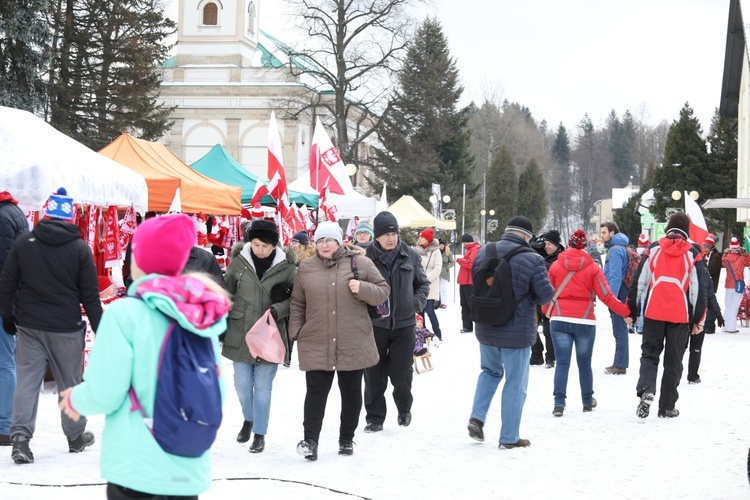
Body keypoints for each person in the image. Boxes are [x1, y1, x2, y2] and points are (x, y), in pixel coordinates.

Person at [58, 214, 230, 499]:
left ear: (140, 259)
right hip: (187, 466)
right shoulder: (200, 315)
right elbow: (216, 390)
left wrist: (74, 399)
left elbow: (106, 391)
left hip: (137, 467)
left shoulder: (124, 314)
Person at [0, 188, 102, 464]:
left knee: (27, 384)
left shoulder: (24, 242)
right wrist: (101, 329)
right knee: (69, 385)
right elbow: (90, 295)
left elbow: (7, 282)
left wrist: (7, 314)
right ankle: (75, 436)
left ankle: (20, 440)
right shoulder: (80, 248)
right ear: (69, 217)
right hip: (66, 328)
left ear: (47, 213)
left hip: (30, 326)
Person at [290, 222, 389, 461]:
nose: (325, 245)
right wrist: (297, 331)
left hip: (352, 338)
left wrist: (362, 287)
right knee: (315, 392)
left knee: (351, 392)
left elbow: (383, 290)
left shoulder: (361, 263)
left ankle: (346, 439)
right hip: (315, 339)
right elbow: (297, 303)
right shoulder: (306, 267)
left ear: (339, 241)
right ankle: (310, 440)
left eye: (329, 240)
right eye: (320, 241)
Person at [466, 216, 554, 449]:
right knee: (515, 382)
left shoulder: (484, 251)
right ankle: (508, 437)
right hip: (516, 332)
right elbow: (545, 296)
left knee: (490, 372)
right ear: (527, 236)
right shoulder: (533, 259)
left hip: (485, 326)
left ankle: (477, 416)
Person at [222, 219, 296, 453]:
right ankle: (248, 418)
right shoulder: (239, 263)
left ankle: (259, 433)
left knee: (263, 387)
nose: (260, 249)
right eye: (256, 244)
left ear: (274, 245)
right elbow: (226, 292)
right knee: (242, 385)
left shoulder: (287, 267)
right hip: (241, 332)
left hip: (270, 334)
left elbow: (296, 300)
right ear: (249, 242)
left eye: (265, 245)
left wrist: (279, 308)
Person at [544, 229, 632, 417]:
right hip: (584, 320)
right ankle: (586, 400)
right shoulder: (592, 268)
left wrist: (546, 312)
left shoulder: (556, 266)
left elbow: (547, 293)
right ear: (585, 246)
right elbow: (606, 296)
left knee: (562, 363)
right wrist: (626, 312)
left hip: (559, 319)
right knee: (584, 363)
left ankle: (559, 403)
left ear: (568, 243)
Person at [631, 212, 707, 419]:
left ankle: (647, 389)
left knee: (649, 354)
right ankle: (666, 406)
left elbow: (640, 281)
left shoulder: (653, 249)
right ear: (687, 232)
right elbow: (698, 290)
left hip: (654, 312)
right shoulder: (693, 253)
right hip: (680, 316)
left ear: (668, 229)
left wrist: (633, 309)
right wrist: (698, 320)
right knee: (674, 361)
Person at [363, 211, 429, 432]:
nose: (391, 238)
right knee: (373, 374)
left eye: (394, 233)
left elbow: (423, 284)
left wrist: (416, 304)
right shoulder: (365, 257)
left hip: (404, 325)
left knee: (402, 372)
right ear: (377, 236)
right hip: (375, 325)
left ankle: (404, 409)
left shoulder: (409, 254)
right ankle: (374, 418)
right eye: (386, 234)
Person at [0, 191, 29, 447]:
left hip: (4, 301)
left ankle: (5, 426)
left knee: (5, 363)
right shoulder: (15, 211)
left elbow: (4, 265)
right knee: (8, 361)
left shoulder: (2, 216)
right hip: (13, 298)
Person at [599, 221, 630, 375]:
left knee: (619, 330)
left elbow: (615, 276)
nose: (601, 235)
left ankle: (620, 364)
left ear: (612, 233)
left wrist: (612, 298)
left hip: (618, 293)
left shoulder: (615, 250)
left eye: (604, 232)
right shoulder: (620, 247)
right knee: (620, 329)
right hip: (622, 292)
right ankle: (620, 362)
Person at [530, 229, 563, 368]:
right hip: (537, 296)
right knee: (531, 327)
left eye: (550, 244)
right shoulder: (541, 254)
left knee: (549, 330)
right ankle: (536, 354)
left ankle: (551, 358)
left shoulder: (561, 257)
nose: (547, 246)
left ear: (556, 245)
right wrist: (535, 244)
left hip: (552, 298)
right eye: (545, 243)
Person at [686, 265, 723, 384]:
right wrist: (718, 314)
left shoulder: (682, 269)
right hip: (700, 315)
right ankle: (693, 376)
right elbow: (711, 295)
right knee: (696, 347)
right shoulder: (705, 272)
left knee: (679, 347)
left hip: (683, 314)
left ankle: (674, 374)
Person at [415, 228, 442, 341]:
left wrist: (425, 279)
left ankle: (438, 334)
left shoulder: (436, 251)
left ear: (428, 239)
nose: (419, 239)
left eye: (422, 237)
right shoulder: (416, 250)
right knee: (420, 312)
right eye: (419, 237)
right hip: (418, 284)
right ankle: (423, 335)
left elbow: (437, 268)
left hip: (430, 284)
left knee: (430, 310)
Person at [721, 237, 750, 334]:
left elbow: (723, 258)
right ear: (738, 248)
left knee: (728, 306)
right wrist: (744, 252)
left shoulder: (726, 258)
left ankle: (724, 326)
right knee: (734, 307)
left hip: (728, 285)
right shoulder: (742, 259)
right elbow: (749, 261)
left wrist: (727, 252)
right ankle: (731, 327)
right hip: (738, 285)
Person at [456, 233, 479, 333]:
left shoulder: (475, 249)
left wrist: (459, 260)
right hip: (464, 281)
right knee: (464, 304)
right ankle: (467, 326)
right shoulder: (470, 249)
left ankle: (477, 325)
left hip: (469, 281)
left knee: (471, 305)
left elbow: (470, 264)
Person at [702, 234, 722, 334]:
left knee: (710, 305)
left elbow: (711, 270)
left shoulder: (715, 256)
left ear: (709, 246)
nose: (703, 248)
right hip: (705, 284)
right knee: (706, 305)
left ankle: (710, 325)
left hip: (711, 284)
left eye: (705, 246)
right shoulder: (707, 255)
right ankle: (706, 324)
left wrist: (702, 265)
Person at [438, 238, 454, 309]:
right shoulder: (436, 252)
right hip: (437, 272)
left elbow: (452, 262)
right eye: (439, 245)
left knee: (443, 289)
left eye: (442, 245)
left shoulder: (448, 253)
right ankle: (437, 302)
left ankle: (444, 303)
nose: (441, 246)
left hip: (445, 272)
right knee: (437, 288)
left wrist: (448, 267)